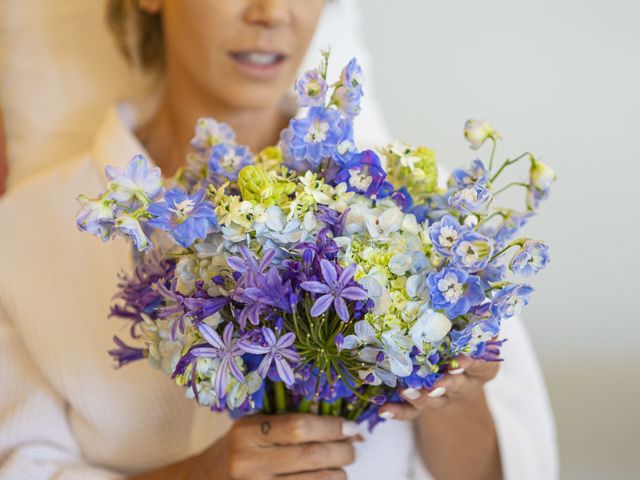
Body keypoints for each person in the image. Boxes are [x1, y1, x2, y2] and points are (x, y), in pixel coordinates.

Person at [0, 1, 557, 479]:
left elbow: (513, 465)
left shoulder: (419, 217)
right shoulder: (27, 230)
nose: (271, 13)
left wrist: (448, 395)